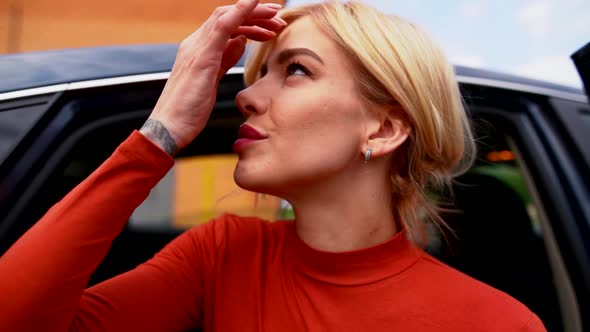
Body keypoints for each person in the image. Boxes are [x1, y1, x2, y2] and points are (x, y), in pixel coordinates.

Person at [0, 0, 546, 331]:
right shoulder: (219, 257)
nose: (246, 97)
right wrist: (159, 132)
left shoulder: (500, 324)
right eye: (258, 75)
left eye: (296, 71)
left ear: (382, 130)